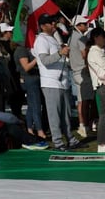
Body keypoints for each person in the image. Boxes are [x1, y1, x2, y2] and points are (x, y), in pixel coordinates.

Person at [34, 13, 80, 151]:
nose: (53, 24)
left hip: (63, 81)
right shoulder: (41, 40)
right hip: (51, 82)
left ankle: (70, 139)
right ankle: (58, 142)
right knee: (54, 115)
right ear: (43, 26)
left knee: (66, 114)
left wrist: (63, 53)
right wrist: (60, 53)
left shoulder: (53, 39)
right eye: (49, 23)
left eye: (53, 22)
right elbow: (45, 60)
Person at [13, 36, 45, 140]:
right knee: (36, 105)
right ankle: (39, 130)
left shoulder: (24, 49)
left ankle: (30, 128)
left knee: (32, 106)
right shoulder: (21, 50)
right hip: (30, 80)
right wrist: (37, 58)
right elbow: (26, 67)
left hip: (32, 79)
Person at [68, 15, 93, 137]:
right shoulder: (80, 38)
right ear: (77, 26)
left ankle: (82, 125)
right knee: (85, 101)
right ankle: (84, 125)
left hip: (75, 71)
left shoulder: (71, 37)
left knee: (81, 101)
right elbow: (84, 54)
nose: (86, 25)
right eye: (83, 23)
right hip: (83, 72)